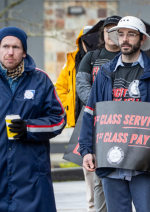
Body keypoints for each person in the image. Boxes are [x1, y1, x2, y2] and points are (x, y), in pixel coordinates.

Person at [79, 16, 150, 212]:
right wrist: (86, 149)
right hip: (110, 159)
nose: (125, 39)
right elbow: (91, 113)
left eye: (131, 34)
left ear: (142, 39)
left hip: (145, 159)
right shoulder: (105, 72)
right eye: (121, 34)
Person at [0, 26, 66, 211]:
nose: (10, 52)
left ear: (24, 52)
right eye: (5, 46)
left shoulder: (40, 80)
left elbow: (59, 119)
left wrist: (28, 128)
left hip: (31, 174)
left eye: (16, 47)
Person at [76, 16, 121, 212]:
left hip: (124, 122)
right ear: (102, 34)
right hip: (95, 121)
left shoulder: (133, 57)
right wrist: (97, 105)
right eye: (107, 30)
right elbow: (82, 85)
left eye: (116, 30)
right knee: (96, 172)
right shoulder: (92, 57)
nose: (111, 34)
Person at [56, 25, 96, 212]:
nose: (90, 43)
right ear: (80, 41)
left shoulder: (105, 57)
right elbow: (60, 88)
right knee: (87, 168)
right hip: (81, 121)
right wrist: (68, 107)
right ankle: (92, 207)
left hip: (105, 120)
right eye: (86, 39)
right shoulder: (72, 60)